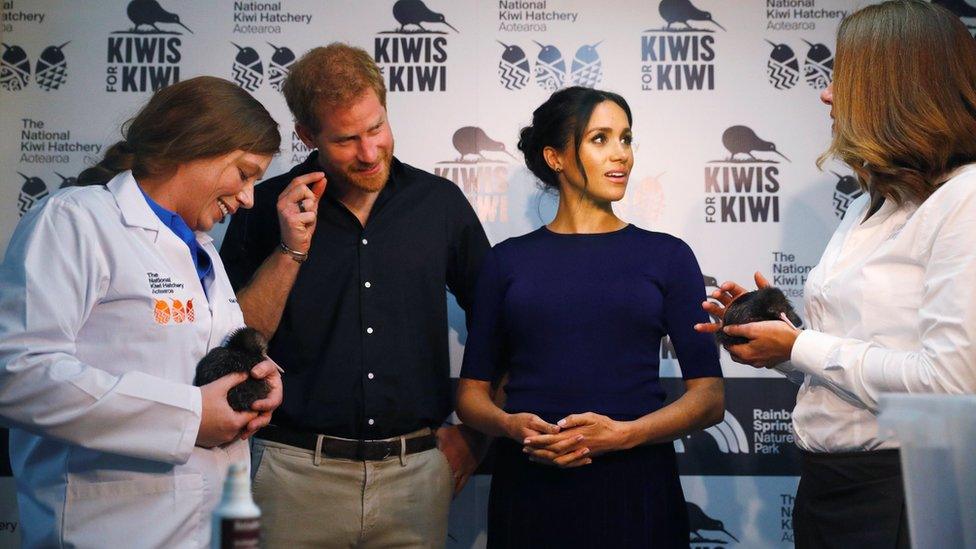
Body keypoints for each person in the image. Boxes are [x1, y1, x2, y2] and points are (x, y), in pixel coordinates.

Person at [695, 2, 976, 547]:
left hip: (903, 496)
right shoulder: (872, 204)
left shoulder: (965, 200)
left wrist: (800, 345)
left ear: (895, 89)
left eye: (842, 79)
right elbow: (854, 365)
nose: (826, 94)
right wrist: (779, 340)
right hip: (829, 489)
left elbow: (952, 386)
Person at [219, 43, 490, 547]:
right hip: (291, 475)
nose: (369, 152)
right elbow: (236, 341)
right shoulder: (260, 209)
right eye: (346, 140)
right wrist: (289, 249)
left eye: (376, 128)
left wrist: (477, 435)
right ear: (306, 135)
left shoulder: (439, 204)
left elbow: (500, 322)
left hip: (416, 478)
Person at [0, 76, 284, 548]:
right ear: (196, 146)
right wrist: (188, 416)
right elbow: (16, 373)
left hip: (206, 525)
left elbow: (197, 363)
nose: (249, 198)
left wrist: (257, 381)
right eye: (244, 173)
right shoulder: (76, 220)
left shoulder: (202, 250)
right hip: (109, 528)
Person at [456, 86, 725, 548]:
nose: (621, 155)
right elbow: (471, 396)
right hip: (531, 490)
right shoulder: (507, 262)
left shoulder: (668, 257)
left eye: (625, 138)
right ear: (555, 157)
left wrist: (624, 435)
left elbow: (710, 398)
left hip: (636, 489)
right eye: (600, 139)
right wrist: (509, 425)